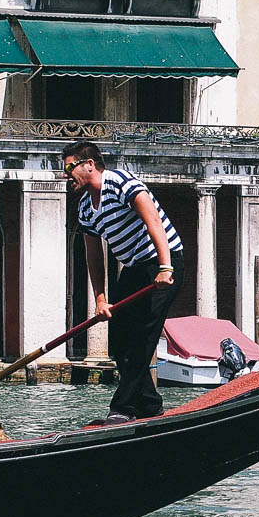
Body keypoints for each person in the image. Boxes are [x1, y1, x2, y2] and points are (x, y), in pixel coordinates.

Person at [63, 141, 181, 421]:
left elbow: (152, 219)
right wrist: (101, 299)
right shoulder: (84, 208)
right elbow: (93, 254)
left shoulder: (120, 182)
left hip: (162, 260)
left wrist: (165, 267)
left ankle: (123, 408)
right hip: (134, 268)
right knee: (118, 340)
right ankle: (150, 406)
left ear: (89, 164)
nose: (66, 174)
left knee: (143, 336)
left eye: (70, 167)